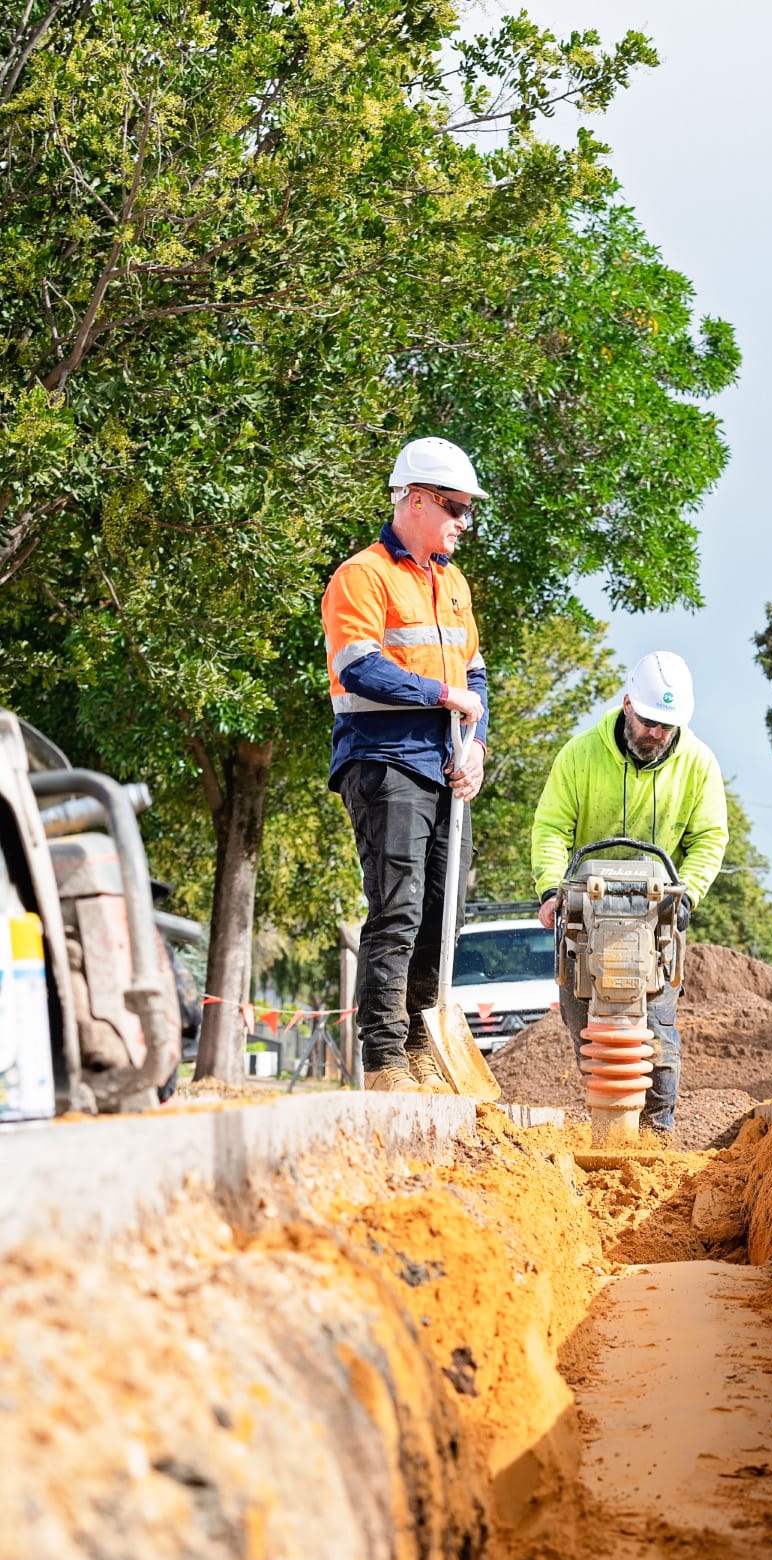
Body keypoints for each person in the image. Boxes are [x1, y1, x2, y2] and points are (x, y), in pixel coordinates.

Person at [322, 436, 489, 1091]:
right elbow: (358, 667)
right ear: (416, 500)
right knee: (399, 910)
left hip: (446, 767)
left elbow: (475, 677)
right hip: (384, 762)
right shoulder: (362, 576)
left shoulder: (453, 584)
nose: (464, 522)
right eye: (455, 507)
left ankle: (423, 1049)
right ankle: (386, 1061)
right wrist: (442, 695)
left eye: (468, 510)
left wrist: (476, 746)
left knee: (445, 917)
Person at [531, 653, 728, 1136]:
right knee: (588, 1026)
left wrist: (688, 894)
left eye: (667, 726)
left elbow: (709, 837)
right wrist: (552, 888)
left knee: (655, 1029)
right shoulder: (580, 754)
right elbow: (552, 828)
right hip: (586, 911)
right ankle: (608, 1122)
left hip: (656, 915)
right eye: (649, 722)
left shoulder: (698, 763)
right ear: (627, 706)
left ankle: (657, 1132)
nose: (656, 733)